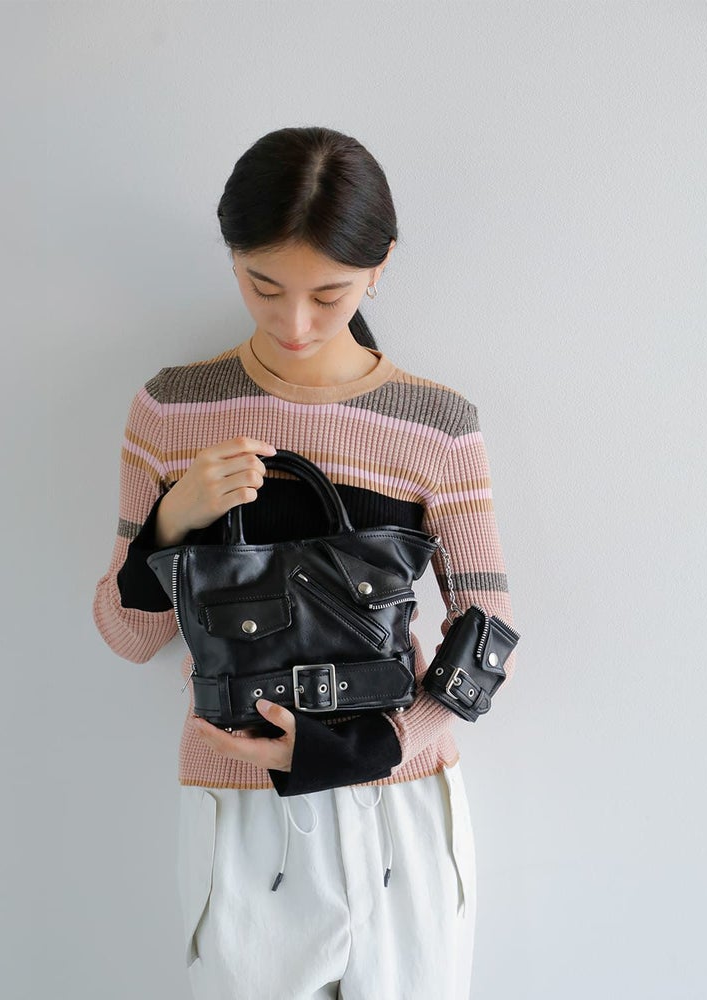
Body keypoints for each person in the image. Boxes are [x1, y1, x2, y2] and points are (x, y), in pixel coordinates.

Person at [92, 125, 517, 1000]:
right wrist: (172, 521)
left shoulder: (435, 424)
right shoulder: (172, 410)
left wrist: (373, 746)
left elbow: (489, 634)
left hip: (400, 805)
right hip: (240, 811)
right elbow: (127, 637)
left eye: (328, 294)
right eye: (263, 285)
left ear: (379, 266)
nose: (294, 323)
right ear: (232, 256)